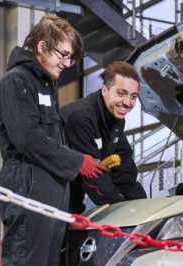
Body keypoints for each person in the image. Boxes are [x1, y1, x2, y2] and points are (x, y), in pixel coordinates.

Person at [0, 15, 106, 266]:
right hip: (29, 188)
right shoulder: (16, 82)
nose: (66, 65)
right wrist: (76, 161)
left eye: (71, 60)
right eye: (63, 56)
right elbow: (28, 139)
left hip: (51, 191)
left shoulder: (45, 85)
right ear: (41, 47)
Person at [62, 61, 147, 213]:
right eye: (121, 94)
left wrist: (142, 206)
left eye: (133, 96)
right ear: (104, 90)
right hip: (47, 186)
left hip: (72, 185)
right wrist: (119, 210)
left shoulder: (115, 117)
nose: (127, 102)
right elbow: (92, 175)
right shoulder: (82, 119)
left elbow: (124, 165)